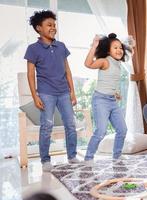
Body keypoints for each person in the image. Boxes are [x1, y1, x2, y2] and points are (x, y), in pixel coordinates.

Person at [24, 10, 79, 172]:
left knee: (70, 124)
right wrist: (35, 96)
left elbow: (67, 70)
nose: (53, 27)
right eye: (49, 25)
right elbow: (30, 74)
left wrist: (72, 92)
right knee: (46, 126)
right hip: (46, 93)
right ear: (38, 28)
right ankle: (45, 160)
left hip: (64, 92)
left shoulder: (61, 46)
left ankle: (72, 156)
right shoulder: (33, 49)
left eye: (54, 25)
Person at [84, 33, 129, 163]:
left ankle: (117, 155)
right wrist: (94, 46)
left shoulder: (118, 63)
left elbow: (110, 80)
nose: (119, 50)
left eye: (120, 47)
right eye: (115, 47)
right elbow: (88, 64)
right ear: (108, 50)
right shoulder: (105, 61)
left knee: (122, 129)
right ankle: (88, 157)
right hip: (100, 100)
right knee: (101, 131)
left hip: (112, 100)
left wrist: (115, 92)